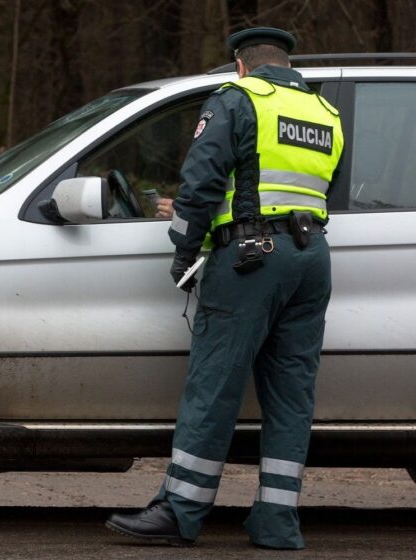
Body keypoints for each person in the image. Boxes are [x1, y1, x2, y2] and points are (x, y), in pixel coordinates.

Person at [105, 27, 344, 549]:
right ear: (285, 63)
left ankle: (181, 510)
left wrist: (185, 252)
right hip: (311, 258)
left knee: (214, 385)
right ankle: (278, 522)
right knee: (291, 393)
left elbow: (203, 179)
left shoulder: (238, 99)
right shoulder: (324, 113)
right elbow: (302, 188)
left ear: (241, 64)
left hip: (251, 262)